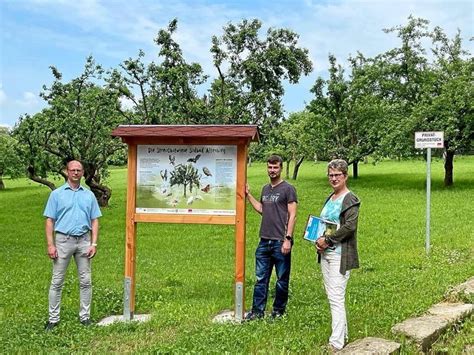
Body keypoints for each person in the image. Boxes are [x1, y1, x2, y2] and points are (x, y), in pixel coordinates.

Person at [43, 160, 102, 331]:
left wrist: (94, 243)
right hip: (63, 241)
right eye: (72, 170)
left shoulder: (89, 195)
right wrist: (50, 245)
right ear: (67, 172)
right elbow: (49, 220)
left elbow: (95, 220)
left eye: (79, 170)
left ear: (83, 173)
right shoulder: (57, 194)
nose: (76, 173)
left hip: (84, 241)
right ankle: (53, 320)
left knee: (86, 281)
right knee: (57, 281)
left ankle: (85, 317)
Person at [245, 155, 298, 320]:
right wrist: (248, 195)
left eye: (275, 167)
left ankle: (278, 311)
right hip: (264, 240)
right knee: (261, 278)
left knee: (281, 279)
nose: (272, 170)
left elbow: (293, 214)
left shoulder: (288, 189)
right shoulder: (265, 189)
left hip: (280, 241)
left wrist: (288, 238)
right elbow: (262, 209)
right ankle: (257, 312)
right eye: (270, 167)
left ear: (281, 168)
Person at [315, 159, 361, 351]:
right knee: (332, 295)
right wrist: (318, 239)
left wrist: (328, 240)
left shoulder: (350, 198)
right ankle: (343, 334)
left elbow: (350, 226)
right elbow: (324, 222)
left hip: (340, 255)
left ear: (345, 176)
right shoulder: (330, 197)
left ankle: (336, 343)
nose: (333, 178)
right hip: (326, 253)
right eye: (331, 175)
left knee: (336, 297)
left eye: (337, 175)